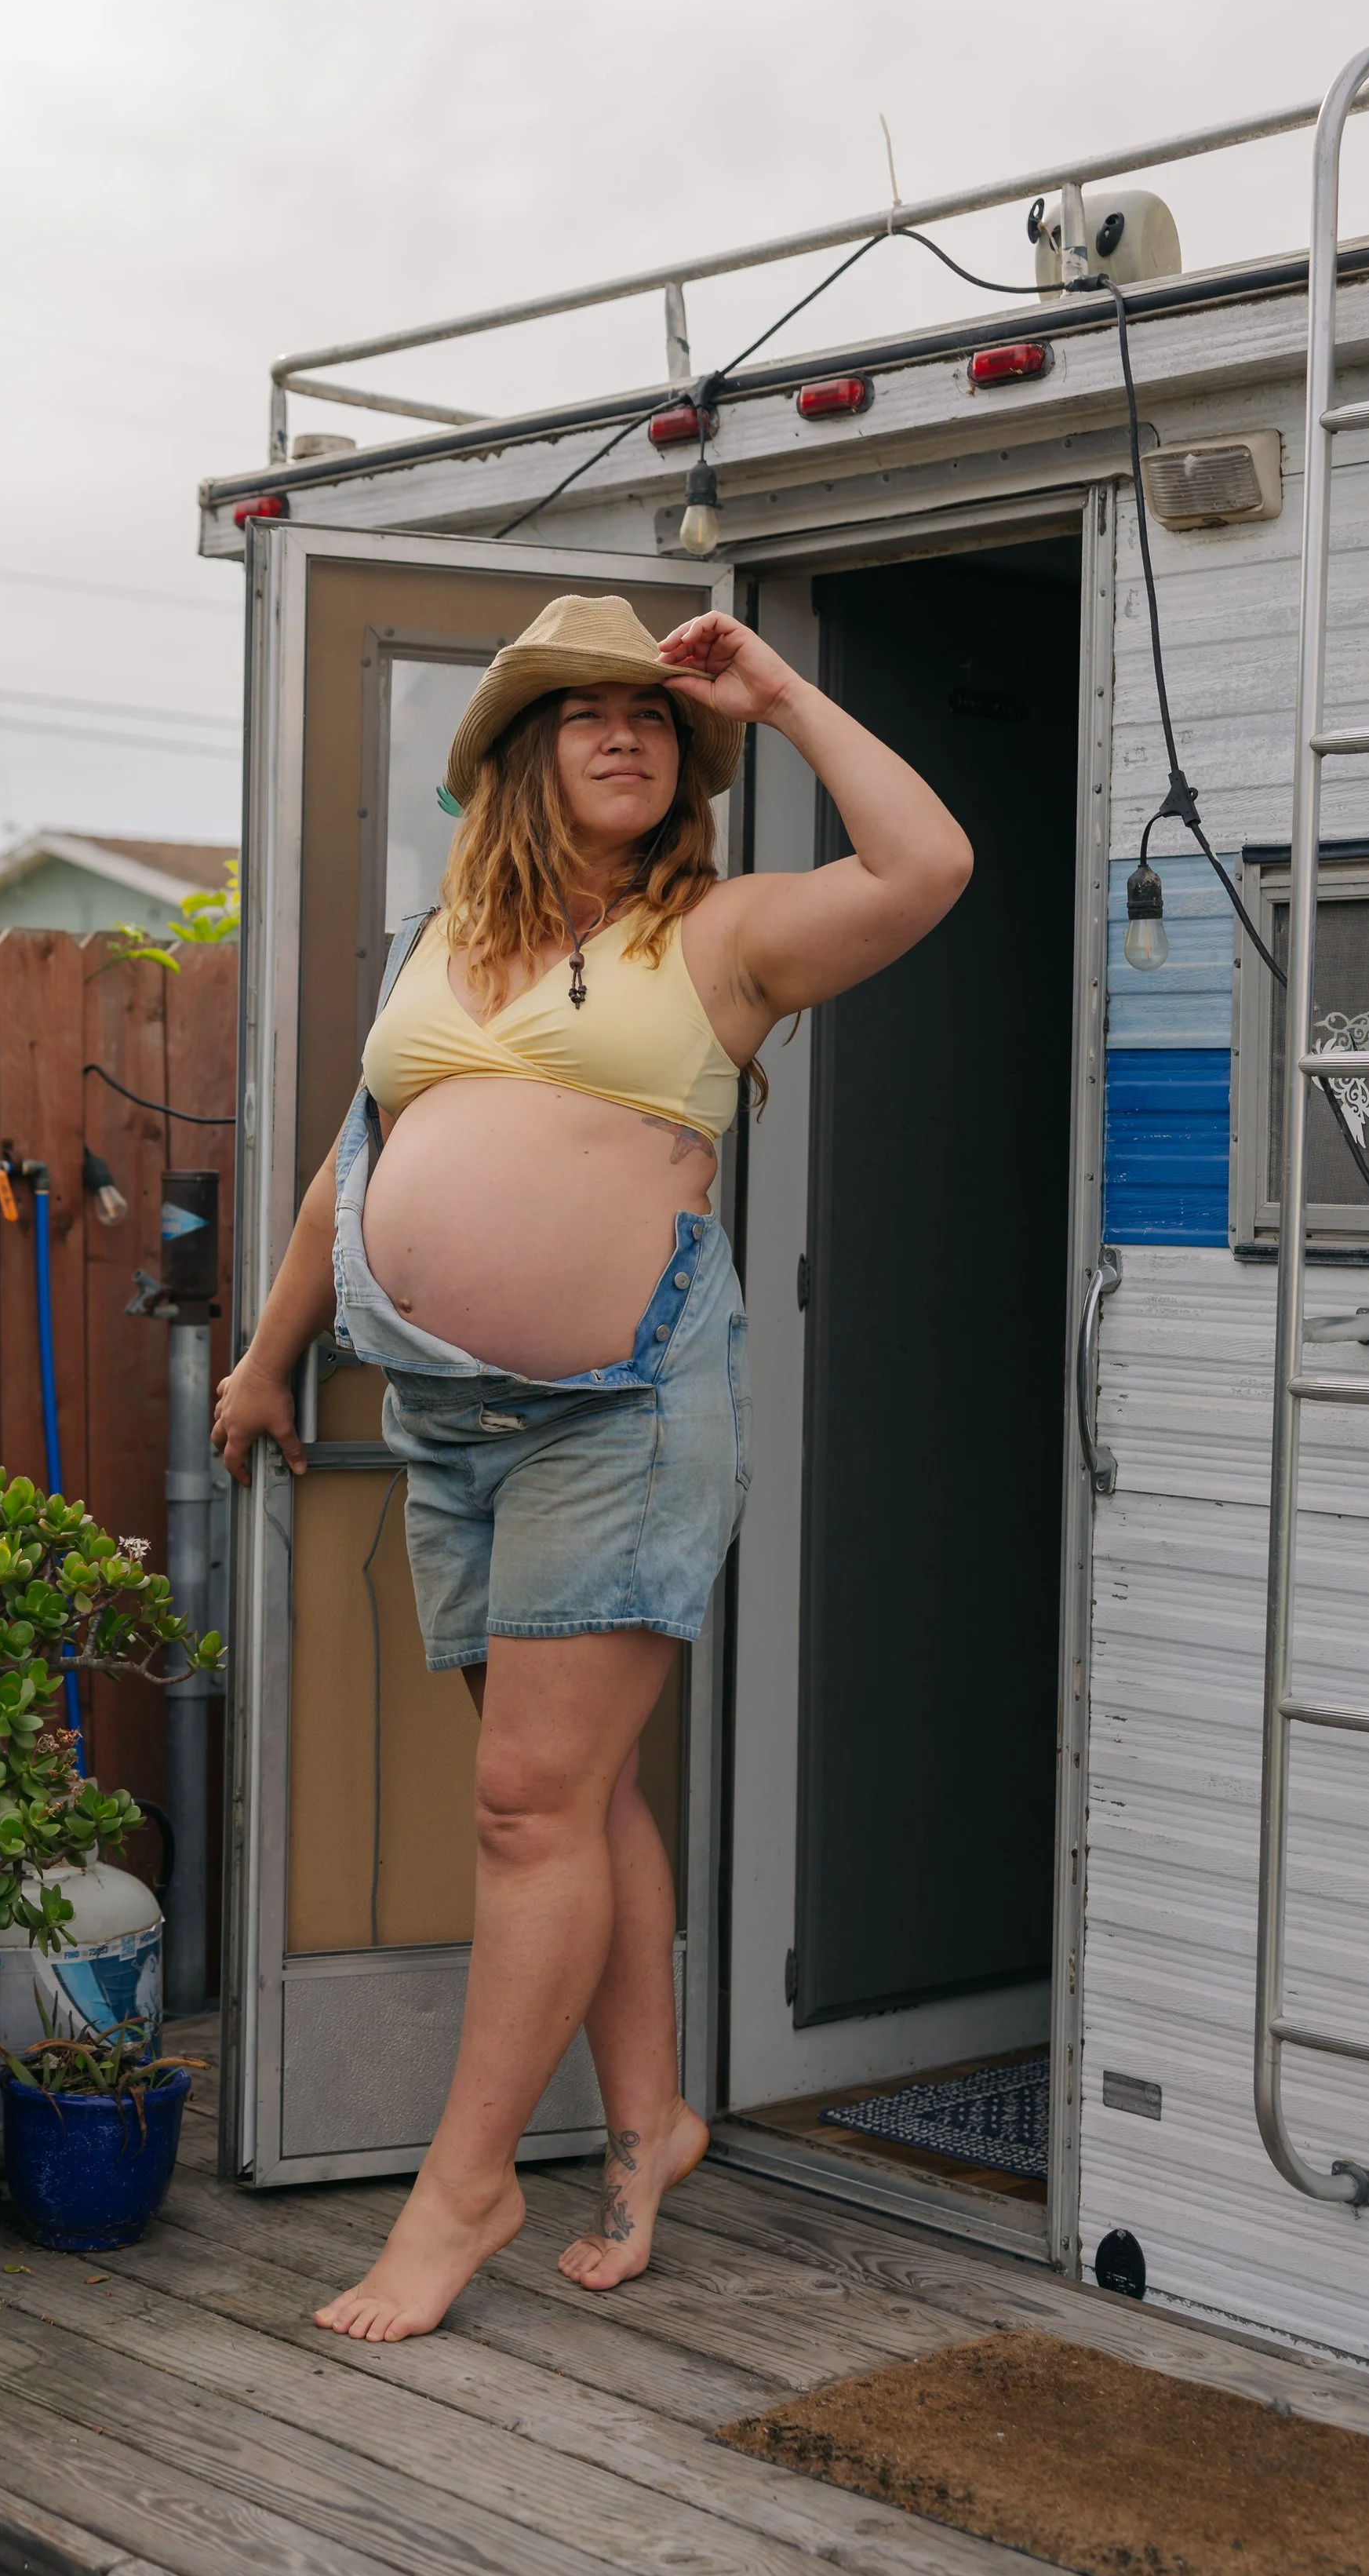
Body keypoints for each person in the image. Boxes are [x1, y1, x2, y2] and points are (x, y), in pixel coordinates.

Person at [213, 592, 972, 2341]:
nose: (626, 731)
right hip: (445, 1421)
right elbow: (356, 1169)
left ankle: (461, 2187)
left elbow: (925, 865)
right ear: (511, 758)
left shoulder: (717, 936)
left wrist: (774, 690)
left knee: (524, 1809)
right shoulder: (430, 944)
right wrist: (265, 1362)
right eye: (582, 713)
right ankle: (648, 2132)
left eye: (655, 716)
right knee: (581, 1794)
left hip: (614, 1419)